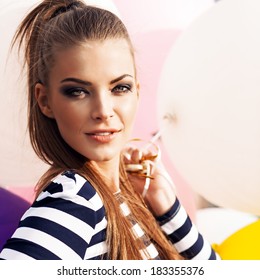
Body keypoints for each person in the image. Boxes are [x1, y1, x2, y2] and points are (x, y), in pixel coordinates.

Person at [0, 0, 220, 260]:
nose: (103, 110)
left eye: (120, 88)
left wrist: (166, 205)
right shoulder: (75, 199)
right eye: (78, 91)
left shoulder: (128, 197)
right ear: (45, 100)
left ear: (137, 91)